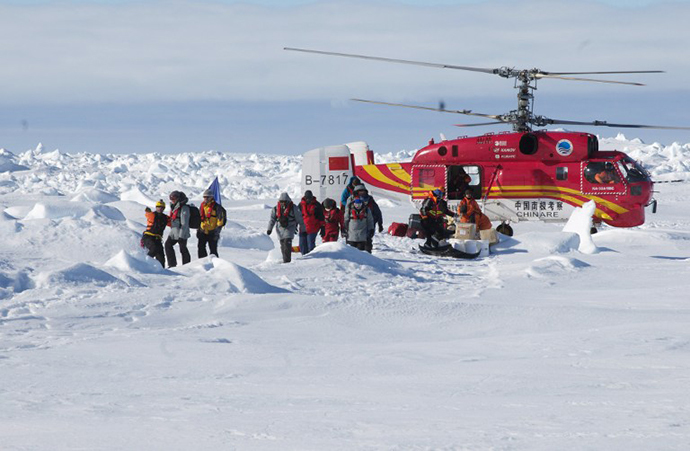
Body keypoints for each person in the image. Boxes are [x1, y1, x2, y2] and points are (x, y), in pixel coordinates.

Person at [267, 192, 306, 263]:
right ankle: (285, 258)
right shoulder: (275, 209)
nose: (282, 203)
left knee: (287, 243)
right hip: (280, 229)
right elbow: (272, 219)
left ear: (287, 201)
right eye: (281, 202)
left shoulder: (294, 208)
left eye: (284, 202)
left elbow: (300, 219)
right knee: (283, 245)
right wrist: (269, 229)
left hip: (290, 227)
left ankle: (287, 261)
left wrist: (303, 229)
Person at [165, 190, 191, 267]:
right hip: (174, 232)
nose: (172, 200)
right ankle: (172, 264)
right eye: (171, 198)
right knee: (167, 245)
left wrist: (181, 236)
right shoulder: (174, 207)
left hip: (182, 233)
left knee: (183, 249)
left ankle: (187, 266)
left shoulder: (184, 208)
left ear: (178, 199)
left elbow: (184, 223)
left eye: (174, 198)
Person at [198, 189, 225, 258]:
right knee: (201, 248)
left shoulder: (217, 207)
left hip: (212, 232)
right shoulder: (202, 206)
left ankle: (215, 264)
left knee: (213, 250)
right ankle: (202, 263)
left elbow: (220, 220)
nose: (206, 199)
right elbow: (199, 218)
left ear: (212, 197)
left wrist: (217, 232)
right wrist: (199, 229)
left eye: (207, 197)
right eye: (204, 197)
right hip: (203, 231)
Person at [141, 199, 168, 267]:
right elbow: (147, 214)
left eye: (162, 207)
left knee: (161, 257)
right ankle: (144, 265)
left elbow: (172, 222)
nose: (160, 209)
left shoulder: (165, 218)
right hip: (148, 237)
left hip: (157, 239)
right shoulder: (152, 215)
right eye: (158, 207)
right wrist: (147, 211)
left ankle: (162, 271)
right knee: (154, 248)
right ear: (156, 207)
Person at [298, 190, 324, 255]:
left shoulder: (317, 205)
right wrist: (295, 225)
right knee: (302, 245)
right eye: (307, 198)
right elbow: (297, 216)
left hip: (313, 228)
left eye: (310, 198)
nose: (308, 200)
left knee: (310, 245)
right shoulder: (300, 205)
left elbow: (321, 217)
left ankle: (312, 260)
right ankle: (305, 258)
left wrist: (323, 227)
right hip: (303, 228)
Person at [359, 188, 383, 253]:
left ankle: (367, 253)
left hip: (368, 223)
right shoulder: (359, 201)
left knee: (367, 238)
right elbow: (378, 213)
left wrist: (380, 224)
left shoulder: (370, 202)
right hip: (365, 224)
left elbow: (378, 213)